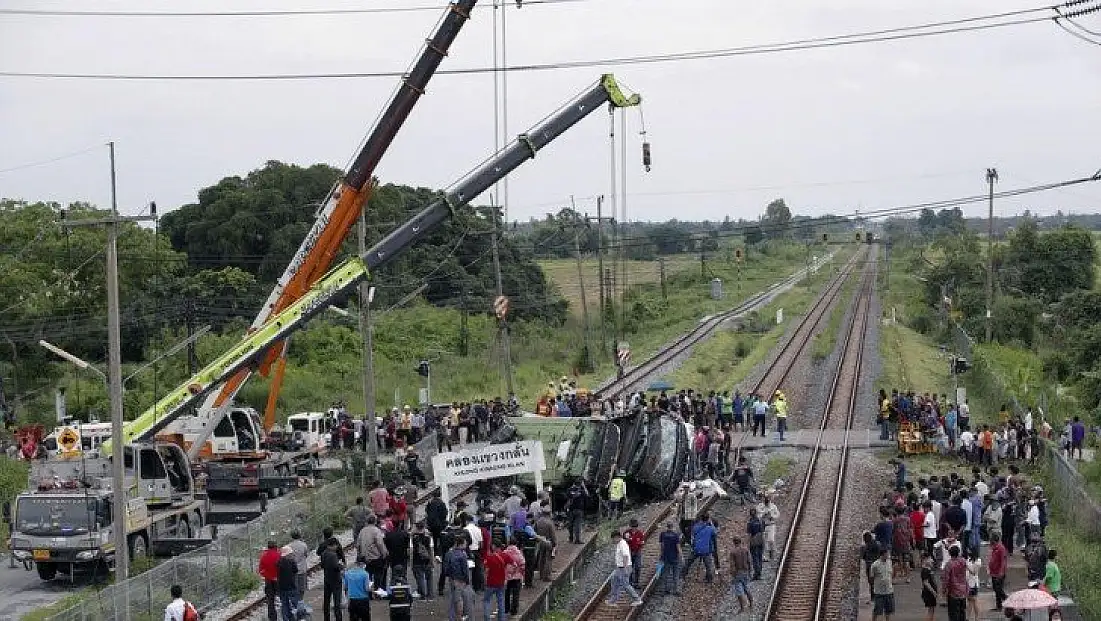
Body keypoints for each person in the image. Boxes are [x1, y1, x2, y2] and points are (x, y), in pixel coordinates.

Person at [606, 530, 644, 606]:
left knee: (626, 585)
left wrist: (626, 569)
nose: (612, 541)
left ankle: (637, 599)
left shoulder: (623, 544)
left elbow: (625, 556)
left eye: (613, 539)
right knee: (614, 580)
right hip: (619, 568)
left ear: (617, 537)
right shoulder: (619, 544)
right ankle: (613, 601)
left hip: (624, 568)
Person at [442, 536, 474, 621]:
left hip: (452, 579)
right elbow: (465, 570)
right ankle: (459, 617)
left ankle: (452, 617)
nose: (466, 545)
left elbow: (445, 568)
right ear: (461, 544)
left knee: (453, 598)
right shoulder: (462, 555)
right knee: (459, 600)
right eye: (465, 544)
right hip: (460, 580)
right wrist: (467, 580)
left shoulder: (449, 553)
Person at [681, 512, 717, 583]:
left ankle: (683, 575)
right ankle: (709, 579)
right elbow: (715, 532)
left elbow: (692, 535)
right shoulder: (710, 529)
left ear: (701, 518)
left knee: (688, 562)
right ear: (708, 519)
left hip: (696, 549)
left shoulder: (696, 527)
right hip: (705, 550)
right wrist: (711, 523)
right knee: (708, 565)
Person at [357, 515, 389, 591]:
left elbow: (358, 544)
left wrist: (360, 555)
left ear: (367, 521)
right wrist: (384, 553)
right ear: (375, 522)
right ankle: (377, 591)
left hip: (365, 558)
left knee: (368, 575)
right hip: (375, 557)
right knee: (378, 574)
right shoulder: (376, 530)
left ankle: (369, 592)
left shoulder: (362, 531)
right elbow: (380, 543)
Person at [482, 543, 510, 621]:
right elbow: (514, 564)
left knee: (487, 600)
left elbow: (486, 570)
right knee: (501, 601)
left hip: (490, 583)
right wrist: (507, 577)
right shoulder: (505, 556)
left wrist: (484, 581)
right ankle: (501, 619)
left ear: (494, 547)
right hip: (501, 582)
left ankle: (487, 619)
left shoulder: (489, 557)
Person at [321, 539, 346, 621]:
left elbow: (322, 565)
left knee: (326, 601)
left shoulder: (323, 553)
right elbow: (336, 567)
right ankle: (338, 618)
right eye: (336, 545)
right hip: (335, 580)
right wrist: (341, 566)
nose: (336, 547)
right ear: (332, 545)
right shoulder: (333, 555)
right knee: (337, 602)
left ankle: (326, 618)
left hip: (327, 579)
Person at [941, 545, 968, 621]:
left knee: (953, 614)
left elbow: (946, 579)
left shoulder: (949, 564)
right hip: (963, 590)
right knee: (962, 612)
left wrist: (944, 590)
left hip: (953, 592)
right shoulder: (963, 561)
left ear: (949, 554)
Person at [410, 521, 434, 601]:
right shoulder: (428, 537)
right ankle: (430, 595)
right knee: (429, 578)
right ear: (424, 527)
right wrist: (432, 561)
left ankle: (423, 595)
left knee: (420, 578)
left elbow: (411, 550)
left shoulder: (413, 537)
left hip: (417, 560)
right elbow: (431, 549)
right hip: (427, 559)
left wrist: (411, 562)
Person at [503, 536, 526, 616]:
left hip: (507, 576)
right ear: (516, 543)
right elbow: (523, 564)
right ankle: (514, 610)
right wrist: (522, 573)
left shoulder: (504, 552)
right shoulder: (518, 553)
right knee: (516, 594)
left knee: (507, 593)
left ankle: (506, 608)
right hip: (517, 576)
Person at [729, 536, 753, 613]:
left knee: (739, 591)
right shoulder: (746, 549)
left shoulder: (733, 552)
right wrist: (750, 571)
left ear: (734, 542)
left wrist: (733, 574)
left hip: (738, 573)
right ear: (740, 541)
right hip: (745, 571)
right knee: (747, 589)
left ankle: (742, 607)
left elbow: (732, 565)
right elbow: (749, 561)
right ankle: (751, 604)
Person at [258, 541, 281, 621]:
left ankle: (272, 617)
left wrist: (268, 576)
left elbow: (261, 570)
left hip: (268, 580)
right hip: (278, 579)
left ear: (268, 547)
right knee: (283, 597)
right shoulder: (279, 555)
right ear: (276, 547)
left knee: (270, 599)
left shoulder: (263, 556)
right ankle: (285, 613)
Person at [277, 545, 301, 621]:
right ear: (288, 554)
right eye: (290, 553)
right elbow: (296, 570)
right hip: (291, 586)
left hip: (282, 587)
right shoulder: (292, 562)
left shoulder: (279, 562)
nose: (291, 554)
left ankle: (286, 619)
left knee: (284, 605)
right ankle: (297, 618)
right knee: (295, 604)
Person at [870, 547, 894, 621]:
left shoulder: (889, 562)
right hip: (879, 592)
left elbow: (891, 574)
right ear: (883, 554)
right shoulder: (875, 565)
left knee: (888, 611)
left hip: (889, 591)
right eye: (887, 554)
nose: (888, 555)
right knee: (877, 610)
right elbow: (871, 577)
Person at [658, 522, 682, 596]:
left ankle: (664, 590)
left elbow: (662, 546)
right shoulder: (675, 535)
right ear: (672, 527)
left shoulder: (662, 534)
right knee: (675, 574)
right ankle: (676, 590)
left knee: (665, 574)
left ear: (667, 527)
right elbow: (678, 547)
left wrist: (661, 555)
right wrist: (681, 556)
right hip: (674, 557)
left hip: (666, 557)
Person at [534, 509, 557, 581]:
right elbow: (553, 535)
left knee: (541, 558)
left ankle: (541, 574)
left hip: (540, 542)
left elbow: (535, 532)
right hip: (548, 542)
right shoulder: (550, 523)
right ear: (549, 514)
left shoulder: (538, 522)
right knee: (548, 559)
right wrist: (555, 543)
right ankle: (547, 576)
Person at [756, 492, 779, 561]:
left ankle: (772, 553)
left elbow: (777, 514)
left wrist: (772, 516)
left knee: (771, 539)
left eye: (768, 499)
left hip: (771, 524)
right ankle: (765, 556)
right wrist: (763, 514)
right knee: (764, 541)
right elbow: (758, 516)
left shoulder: (773, 506)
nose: (767, 500)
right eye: (765, 498)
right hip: (763, 525)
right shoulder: (760, 506)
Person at [988, 530, 1008, 611]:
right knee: (996, 589)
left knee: (998, 589)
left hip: (999, 573)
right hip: (994, 572)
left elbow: (1003, 561)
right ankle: (999, 605)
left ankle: (1006, 600)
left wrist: (1001, 572)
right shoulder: (994, 548)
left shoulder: (1001, 548)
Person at [623, 518, 646, 588]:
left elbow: (642, 542)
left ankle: (636, 582)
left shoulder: (640, 533)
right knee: (630, 568)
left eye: (635, 527)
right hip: (629, 552)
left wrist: (639, 545)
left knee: (638, 567)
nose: (634, 528)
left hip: (637, 552)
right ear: (630, 526)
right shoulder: (626, 533)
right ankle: (630, 582)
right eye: (633, 527)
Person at [566, 478, 590, 544]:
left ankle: (571, 538)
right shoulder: (582, 491)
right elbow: (587, 495)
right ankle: (577, 540)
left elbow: (567, 497)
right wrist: (584, 486)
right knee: (577, 525)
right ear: (580, 484)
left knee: (570, 525)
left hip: (571, 510)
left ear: (574, 484)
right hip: (579, 510)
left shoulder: (569, 490)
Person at [747, 507, 765, 580]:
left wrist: (748, 542)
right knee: (760, 557)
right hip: (761, 540)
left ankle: (756, 574)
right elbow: (763, 529)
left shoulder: (750, 522)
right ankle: (760, 573)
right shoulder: (761, 520)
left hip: (754, 541)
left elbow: (749, 533)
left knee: (755, 558)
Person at [919, 551, 938, 621]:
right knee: (930, 610)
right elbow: (926, 582)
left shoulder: (929, 569)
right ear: (925, 560)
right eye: (930, 559)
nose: (932, 561)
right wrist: (933, 591)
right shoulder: (925, 570)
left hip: (930, 593)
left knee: (932, 609)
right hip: (928, 593)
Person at [965, 550, 982, 621]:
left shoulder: (978, 561)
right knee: (970, 601)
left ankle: (976, 618)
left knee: (974, 600)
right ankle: (968, 617)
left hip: (974, 583)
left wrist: (967, 567)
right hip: (968, 582)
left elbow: (974, 572)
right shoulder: (968, 559)